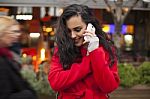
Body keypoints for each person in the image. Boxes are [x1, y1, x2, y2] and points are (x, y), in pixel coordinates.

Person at [48, 4, 120, 99]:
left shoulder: (106, 49)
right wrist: (87, 62)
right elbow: (55, 83)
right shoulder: (61, 49)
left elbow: (108, 86)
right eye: (68, 31)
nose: (73, 35)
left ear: (90, 27)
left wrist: (95, 51)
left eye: (77, 29)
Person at [0, 16, 37, 99]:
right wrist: (28, 94)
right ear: (2, 32)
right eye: (13, 32)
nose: (17, 35)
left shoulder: (6, 55)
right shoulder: (2, 60)